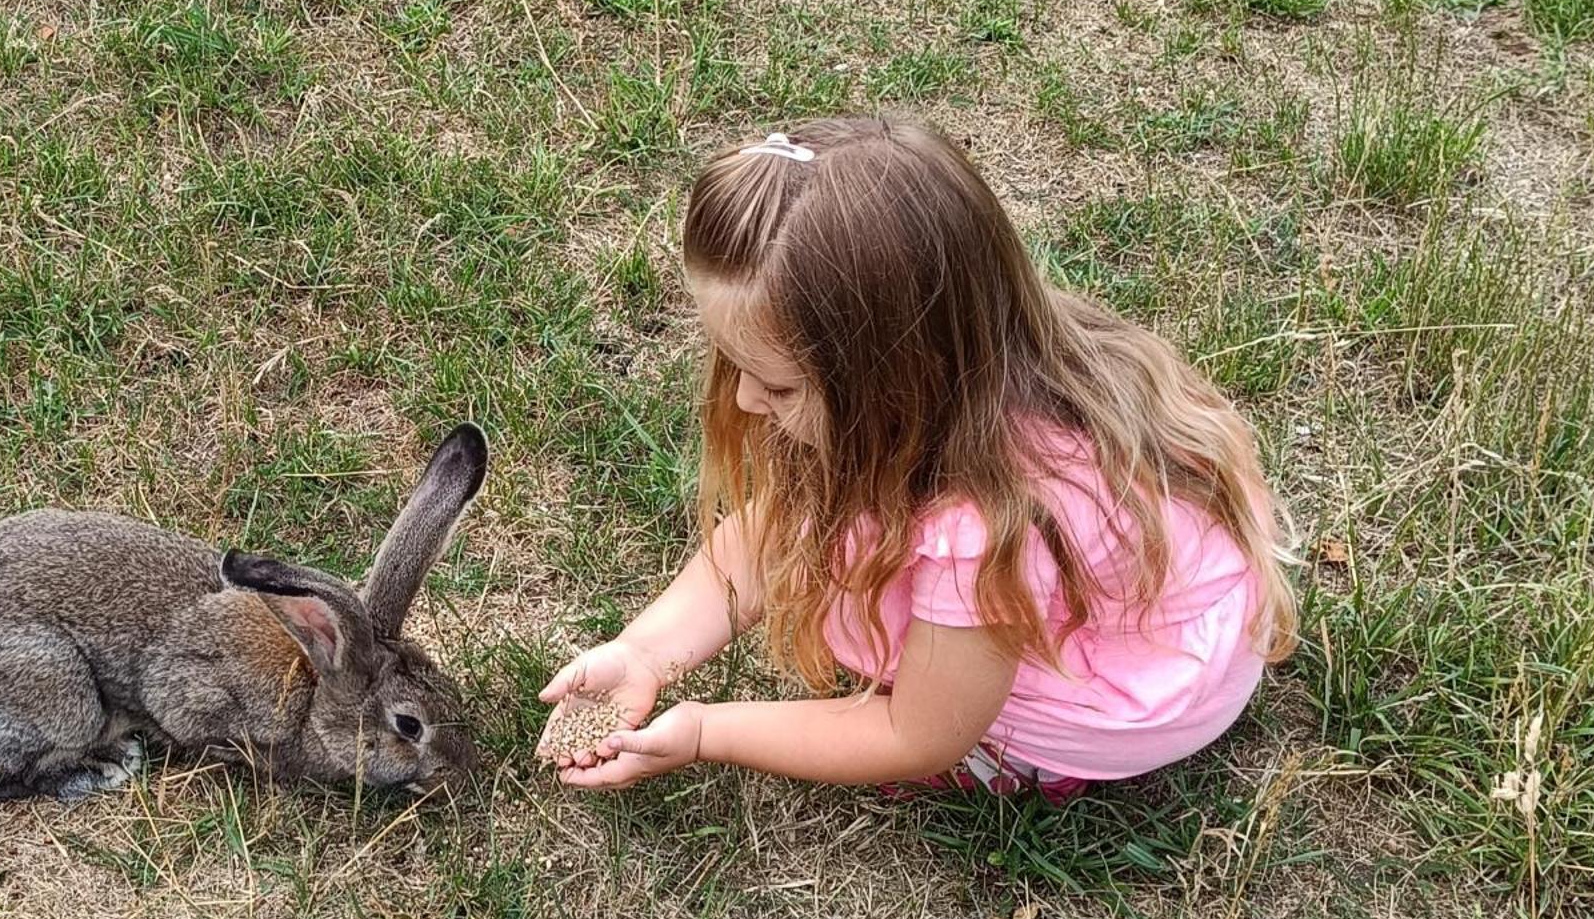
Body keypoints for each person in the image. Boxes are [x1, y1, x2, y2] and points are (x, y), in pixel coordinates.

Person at [539, 117, 1295, 802]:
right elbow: (773, 535)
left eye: (775, 382)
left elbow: (919, 734)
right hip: (1065, 584)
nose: (741, 401)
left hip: (1133, 693)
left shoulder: (988, 525)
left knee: (957, 722)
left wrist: (707, 730)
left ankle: (1034, 757)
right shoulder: (962, 366)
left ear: (899, 373)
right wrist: (643, 653)